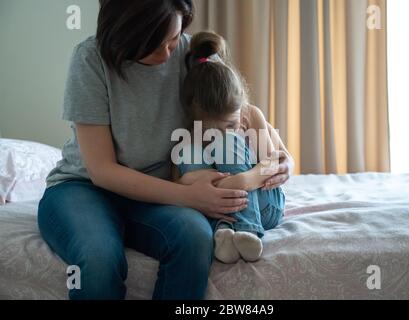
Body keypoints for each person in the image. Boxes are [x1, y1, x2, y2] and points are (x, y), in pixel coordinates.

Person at [37, 0, 293, 300]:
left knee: (196, 237)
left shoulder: (192, 53)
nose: (169, 51)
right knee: (99, 260)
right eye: (156, 44)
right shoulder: (90, 59)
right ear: (123, 36)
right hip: (84, 188)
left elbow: (237, 108)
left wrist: (282, 157)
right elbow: (102, 171)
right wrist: (186, 195)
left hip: (156, 194)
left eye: (173, 38)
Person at [173, 31, 292, 264]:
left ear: (240, 108)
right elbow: (175, 183)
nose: (223, 132)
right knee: (187, 151)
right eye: (212, 131)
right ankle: (224, 234)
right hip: (216, 208)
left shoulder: (250, 116)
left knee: (230, 142)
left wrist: (233, 182)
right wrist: (192, 183)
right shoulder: (188, 133)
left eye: (230, 124)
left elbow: (271, 168)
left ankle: (248, 231)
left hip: (263, 203)